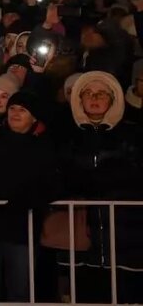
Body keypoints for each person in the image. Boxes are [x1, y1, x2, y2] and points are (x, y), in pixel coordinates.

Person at [0, 91, 59, 303]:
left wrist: (26, 200)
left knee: (20, 288)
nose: (15, 113)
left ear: (34, 117)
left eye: (22, 110)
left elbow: (49, 183)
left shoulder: (44, 146)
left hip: (22, 228)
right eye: (13, 108)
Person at [56, 71, 143, 302]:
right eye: (88, 93)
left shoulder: (132, 134)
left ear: (113, 99)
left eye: (102, 94)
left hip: (127, 237)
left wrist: (98, 179)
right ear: (79, 99)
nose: (94, 99)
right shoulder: (66, 136)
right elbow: (61, 177)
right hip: (81, 239)